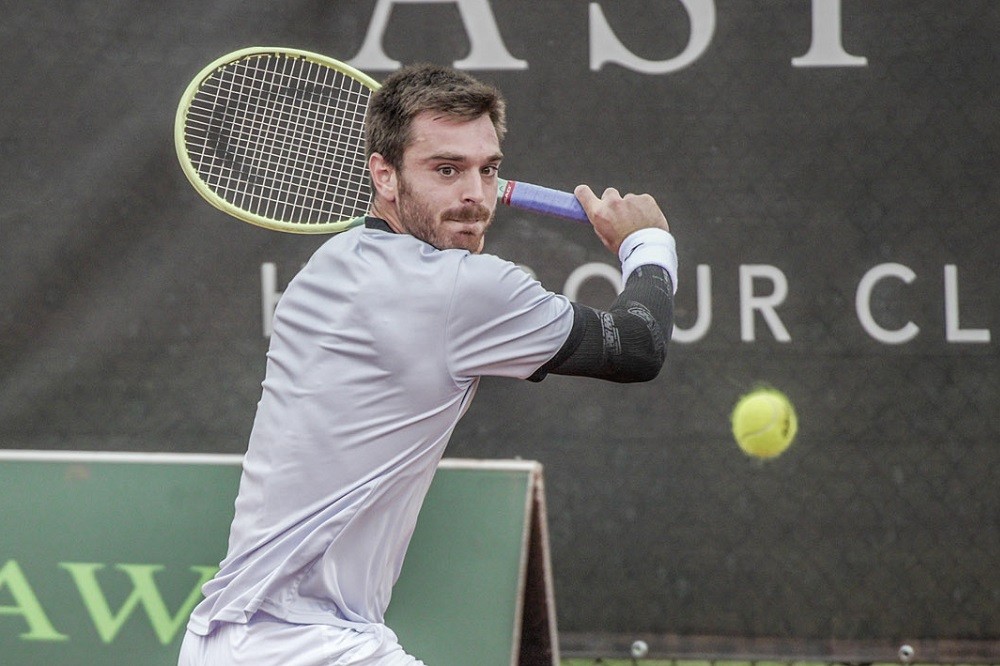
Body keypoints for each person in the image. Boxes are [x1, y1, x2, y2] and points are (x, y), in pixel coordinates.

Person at [178, 63, 677, 665]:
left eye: (487, 169)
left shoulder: (334, 260)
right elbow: (637, 346)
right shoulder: (461, 289)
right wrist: (648, 243)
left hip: (234, 639)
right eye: (446, 169)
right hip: (302, 644)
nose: (474, 195)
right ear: (384, 175)